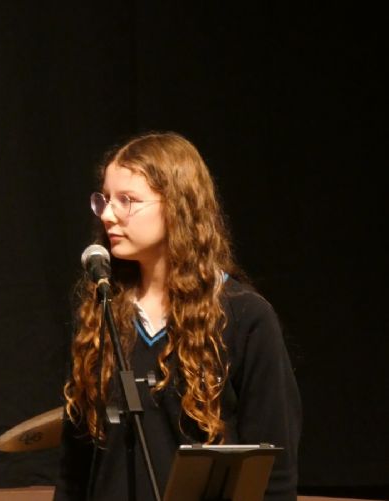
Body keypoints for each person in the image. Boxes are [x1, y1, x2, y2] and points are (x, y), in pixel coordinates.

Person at [55, 131, 301, 501]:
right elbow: (74, 468)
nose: (107, 215)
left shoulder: (245, 316)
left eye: (127, 200)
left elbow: (273, 471)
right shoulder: (100, 310)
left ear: (177, 205)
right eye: (104, 199)